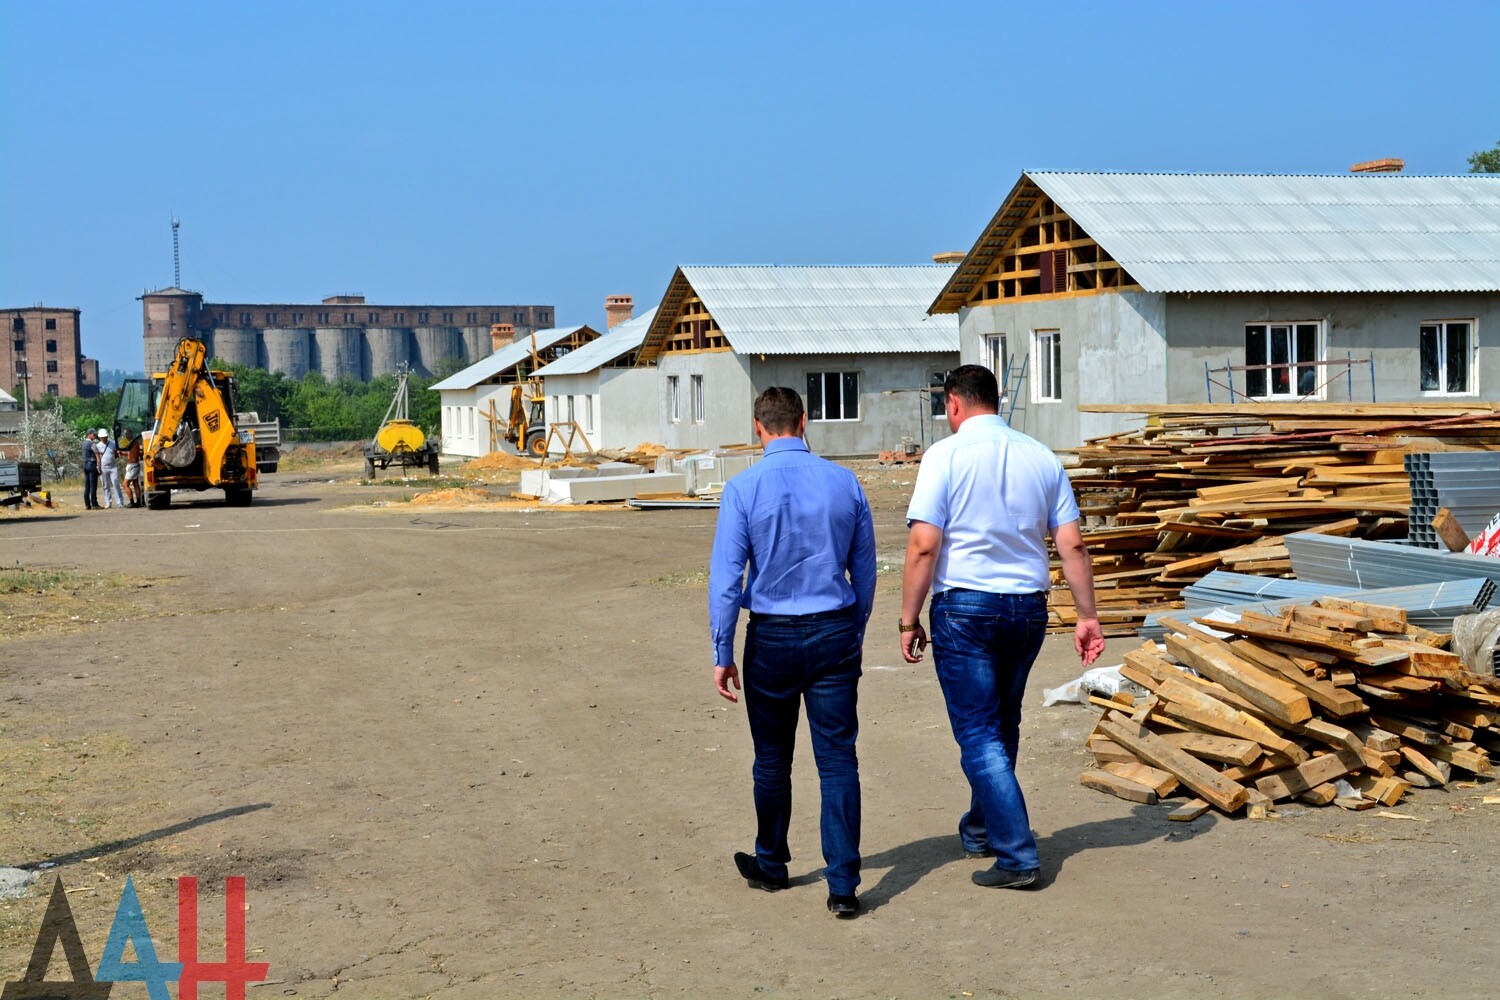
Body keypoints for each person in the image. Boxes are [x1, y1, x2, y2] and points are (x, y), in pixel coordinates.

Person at [899, 364, 1104, 890]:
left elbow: (924, 544)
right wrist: (1087, 614)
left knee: (977, 731)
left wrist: (908, 618)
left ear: (954, 404)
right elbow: (1072, 544)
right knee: (1001, 723)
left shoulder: (944, 456)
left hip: (965, 606)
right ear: (997, 399)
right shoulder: (1041, 456)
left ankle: (1016, 854)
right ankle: (982, 827)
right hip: (1026, 608)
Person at [709, 386, 876, 918]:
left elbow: (726, 578)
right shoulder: (844, 481)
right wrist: (857, 626)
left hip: (772, 636)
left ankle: (772, 862)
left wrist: (722, 647)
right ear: (804, 423)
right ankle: (844, 883)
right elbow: (865, 569)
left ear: (758, 427)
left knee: (772, 758)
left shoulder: (741, 488)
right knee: (837, 759)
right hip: (833, 630)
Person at [96, 428, 125, 509]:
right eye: (102, 437)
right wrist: (99, 468)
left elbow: (116, 453)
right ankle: (108, 502)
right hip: (103, 467)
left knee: (116, 484)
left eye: (105, 437)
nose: (104, 438)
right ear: (100, 438)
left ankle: (120, 502)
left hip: (113, 467)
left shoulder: (113, 443)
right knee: (105, 485)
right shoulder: (98, 446)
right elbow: (97, 456)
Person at [119, 431, 144, 507]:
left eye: (126, 434)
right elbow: (131, 453)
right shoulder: (134, 443)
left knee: (125, 484)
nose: (125, 435)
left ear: (130, 434)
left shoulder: (132, 443)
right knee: (135, 483)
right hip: (133, 465)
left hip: (132, 465)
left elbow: (132, 453)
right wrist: (123, 453)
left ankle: (132, 502)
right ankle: (138, 502)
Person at [81, 429, 100, 510]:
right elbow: (97, 455)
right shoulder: (92, 444)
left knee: (87, 486)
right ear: (89, 434)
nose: (95, 436)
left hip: (85, 464)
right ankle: (94, 503)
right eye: (93, 435)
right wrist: (99, 466)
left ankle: (87, 504)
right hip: (92, 465)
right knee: (93, 486)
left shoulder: (83, 443)